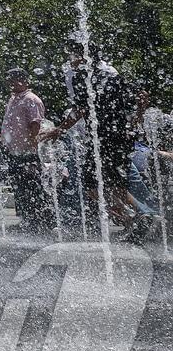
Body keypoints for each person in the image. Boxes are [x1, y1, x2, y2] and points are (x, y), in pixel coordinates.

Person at [45, 46, 153, 242]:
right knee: (115, 183)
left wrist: (58, 130)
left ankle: (132, 218)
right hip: (121, 138)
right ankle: (138, 218)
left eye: (73, 55)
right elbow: (142, 96)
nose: (70, 59)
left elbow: (79, 110)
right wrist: (135, 120)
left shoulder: (81, 77)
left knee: (92, 185)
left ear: (82, 57)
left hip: (102, 139)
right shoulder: (112, 75)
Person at [0, 68, 48, 230]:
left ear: (25, 81)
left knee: (31, 185)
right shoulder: (14, 99)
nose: (12, 83)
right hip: (14, 151)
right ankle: (26, 218)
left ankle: (38, 220)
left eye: (15, 79)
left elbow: (35, 123)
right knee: (19, 185)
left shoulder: (30, 99)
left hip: (27, 151)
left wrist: (32, 142)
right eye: (10, 80)